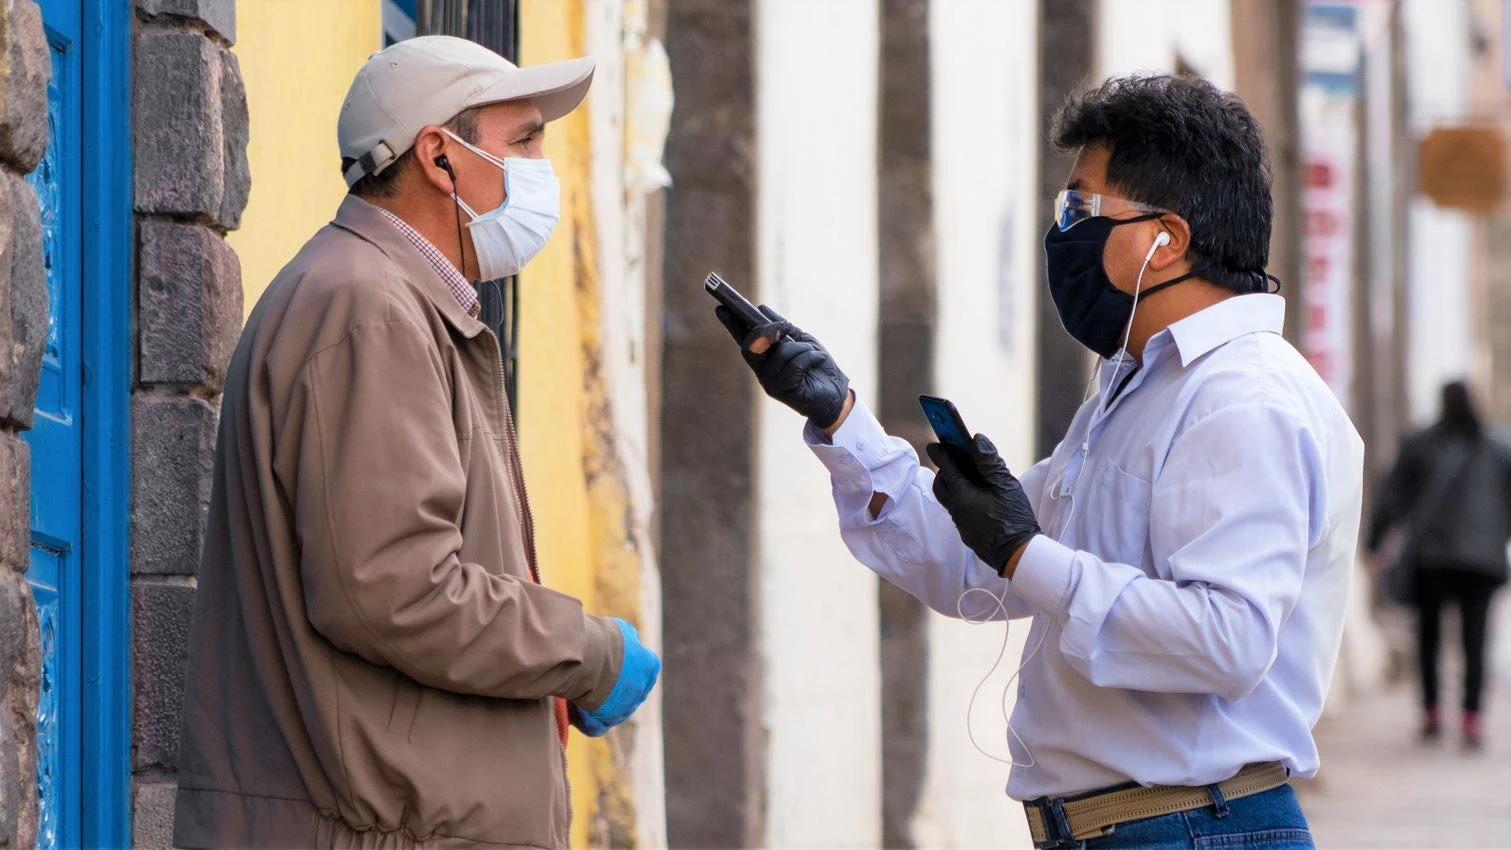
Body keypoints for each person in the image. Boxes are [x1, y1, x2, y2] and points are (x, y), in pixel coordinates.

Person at [718, 75, 1363, 849]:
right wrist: (839, 416)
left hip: (1194, 828)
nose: (1061, 234)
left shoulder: (1241, 397)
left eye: (1081, 210)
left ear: (1168, 240)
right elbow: (969, 572)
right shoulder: (1137, 387)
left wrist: (1026, 551)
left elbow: (1224, 640)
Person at [173, 37, 660, 849]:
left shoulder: (390, 301)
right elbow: (393, 591)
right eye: (525, 140)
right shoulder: (369, 308)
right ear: (440, 157)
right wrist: (589, 653)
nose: (543, 167)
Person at [1367, 380, 1511, 750]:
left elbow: (1393, 495)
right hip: (1482, 560)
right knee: (1476, 640)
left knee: (1428, 637)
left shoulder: (1421, 444)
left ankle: (1431, 712)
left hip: (1433, 558)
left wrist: (1374, 540)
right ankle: (1471, 716)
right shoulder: (1498, 448)